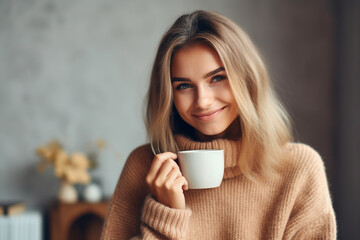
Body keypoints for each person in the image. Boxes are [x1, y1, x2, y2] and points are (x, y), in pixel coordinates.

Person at [101, 10, 336, 239]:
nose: (202, 101)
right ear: (168, 95)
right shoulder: (143, 167)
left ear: (248, 79)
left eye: (217, 78)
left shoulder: (299, 169)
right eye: (183, 85)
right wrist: (166, 218)